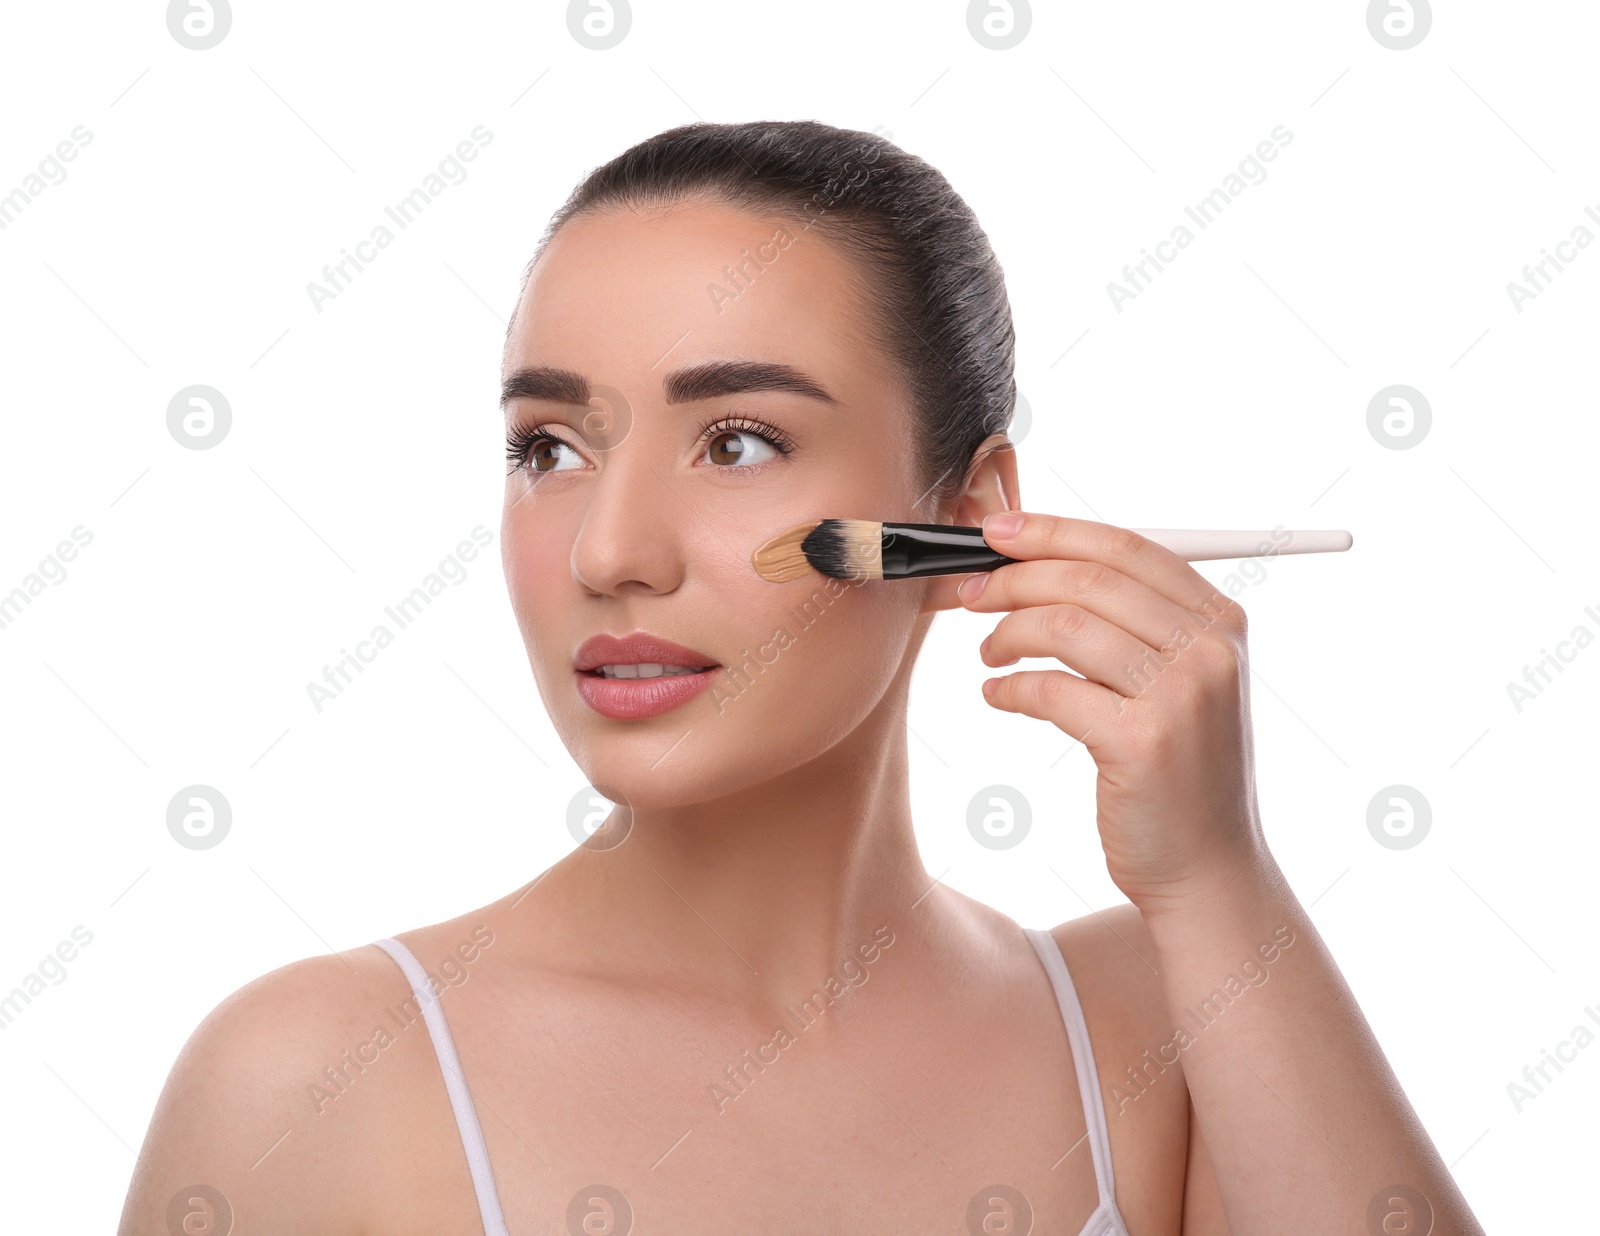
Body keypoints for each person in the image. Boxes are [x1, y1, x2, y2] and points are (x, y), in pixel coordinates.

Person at [119, 119, 1483, 1235]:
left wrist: (1215, 878)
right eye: (551, 448)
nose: (611, 551)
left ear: (966, 518)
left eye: (740, 442)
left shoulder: (1153, 1020)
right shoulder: (314, 1080)